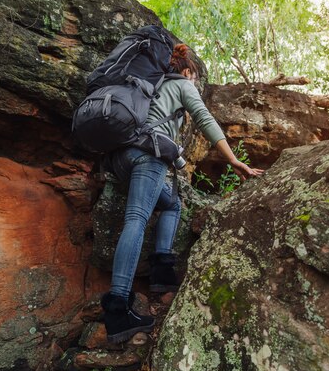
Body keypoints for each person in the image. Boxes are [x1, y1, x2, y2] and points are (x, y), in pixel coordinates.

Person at [100, 44, 264, 343]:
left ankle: (163, 272)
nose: (194, 83)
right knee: (136, 218)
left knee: (171, 203)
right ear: (187, 71)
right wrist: (233, 159)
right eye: (194, 77)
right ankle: (117, 308)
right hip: (148, 156)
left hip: (120, 158)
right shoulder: (180, 85)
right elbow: (205, 119)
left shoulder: (147, 84)